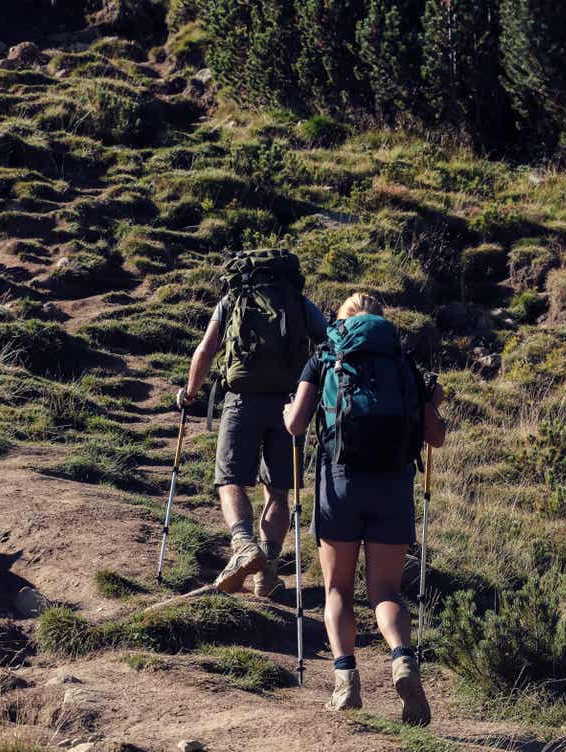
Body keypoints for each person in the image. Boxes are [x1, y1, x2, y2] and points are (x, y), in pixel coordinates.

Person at [283, 293, 446, 726]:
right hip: (393, 483)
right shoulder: (402, 362)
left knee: (337, 588)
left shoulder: (326, 356)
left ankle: (346, 681)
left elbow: (297, 424)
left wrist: (287, 412)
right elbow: (436, 436)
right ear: (380, 321)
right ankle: (402, 660)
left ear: (342, 320)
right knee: (386, 592)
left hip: (340, 482)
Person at [178, 249, 329, 597]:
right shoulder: (298, 301)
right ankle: (268, 570)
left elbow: (205, 350)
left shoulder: (233, 299)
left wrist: (189, 393)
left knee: (230, 479)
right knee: (278, 490)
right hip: (290, 404)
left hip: (241, 398)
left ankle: (244, 545)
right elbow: (327, 345)